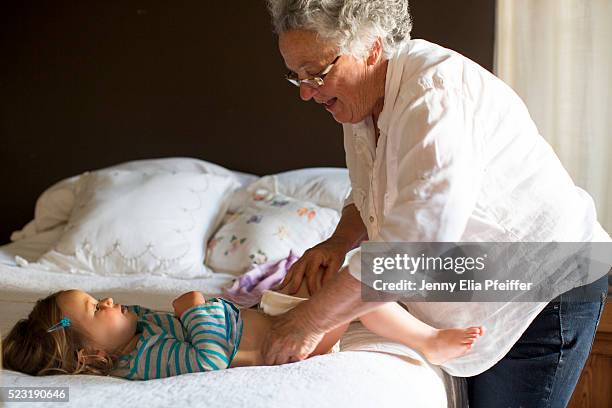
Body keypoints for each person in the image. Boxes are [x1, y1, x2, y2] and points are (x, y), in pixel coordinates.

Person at [262, 1, 610, 406]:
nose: (306, 92)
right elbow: (371, 194)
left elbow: (418, 240)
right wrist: (336, 243)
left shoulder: (434, 92)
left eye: (317, 73)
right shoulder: (359, 103)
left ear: (371, 49)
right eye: (297, 76)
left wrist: (309, 319)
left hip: (542, 284)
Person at [1, 286, 484, 380]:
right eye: (94, 307)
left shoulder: (134, 328)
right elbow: (209, 359)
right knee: (355, 294)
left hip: (268, 318)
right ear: (89, 357)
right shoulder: (144, 359)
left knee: (326, 279)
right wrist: (195, 308)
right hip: (286, 346)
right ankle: (425, 340)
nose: (106, 299)